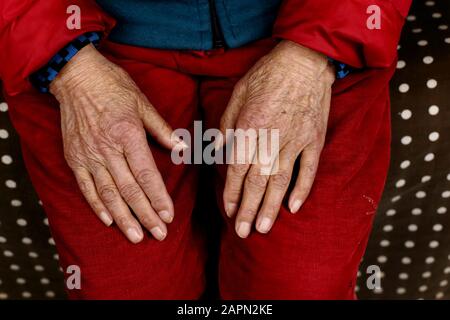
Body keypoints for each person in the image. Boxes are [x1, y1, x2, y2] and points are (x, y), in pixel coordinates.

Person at [0, 0, 411, 299]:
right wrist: (69, 67)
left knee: (301, 285)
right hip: (91, 42)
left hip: (303, 31)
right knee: (122, 288)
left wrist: (313, 55)